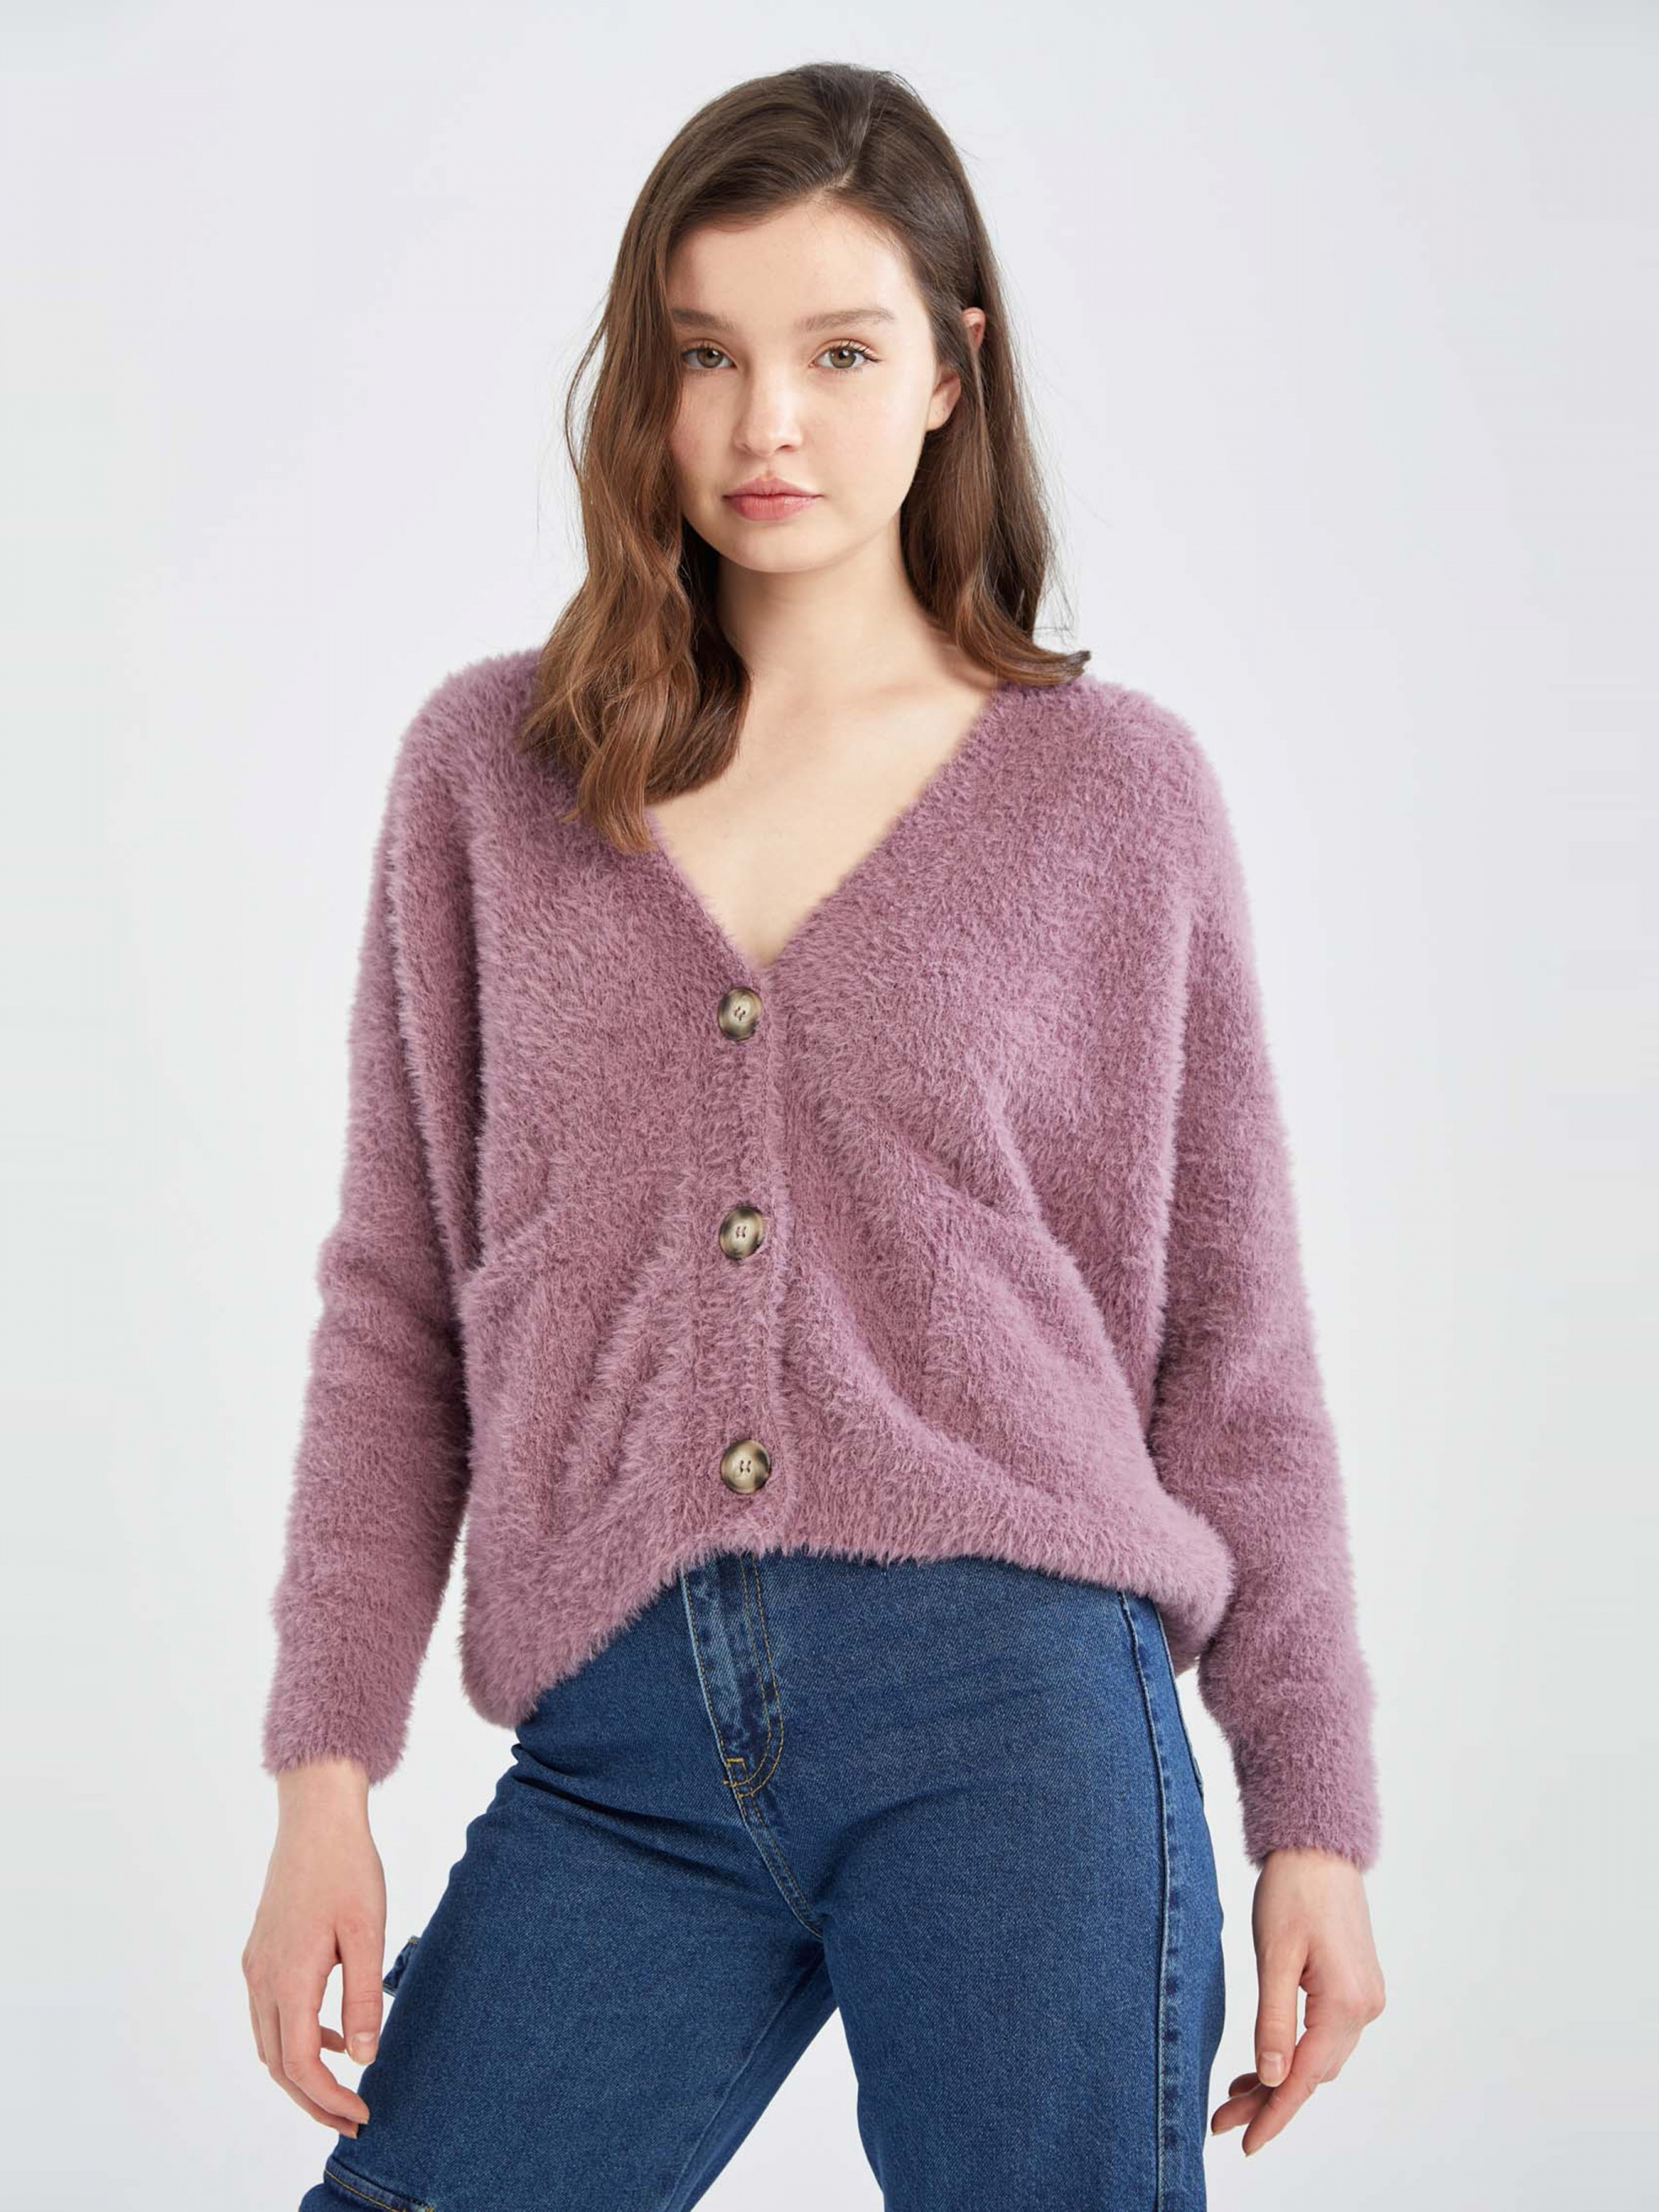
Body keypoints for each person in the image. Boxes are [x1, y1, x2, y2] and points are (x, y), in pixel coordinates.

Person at [244, 60, 1386, 2212]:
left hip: (1013, 1721)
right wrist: (326, 1772)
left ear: (951, 375)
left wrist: (1309, 1817)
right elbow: (397, 1306)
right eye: (705, 356)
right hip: (621, 1742)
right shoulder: (491, 774)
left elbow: (1232, 1344)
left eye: (839, 355)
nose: (764, 424)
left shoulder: (1114, 797)